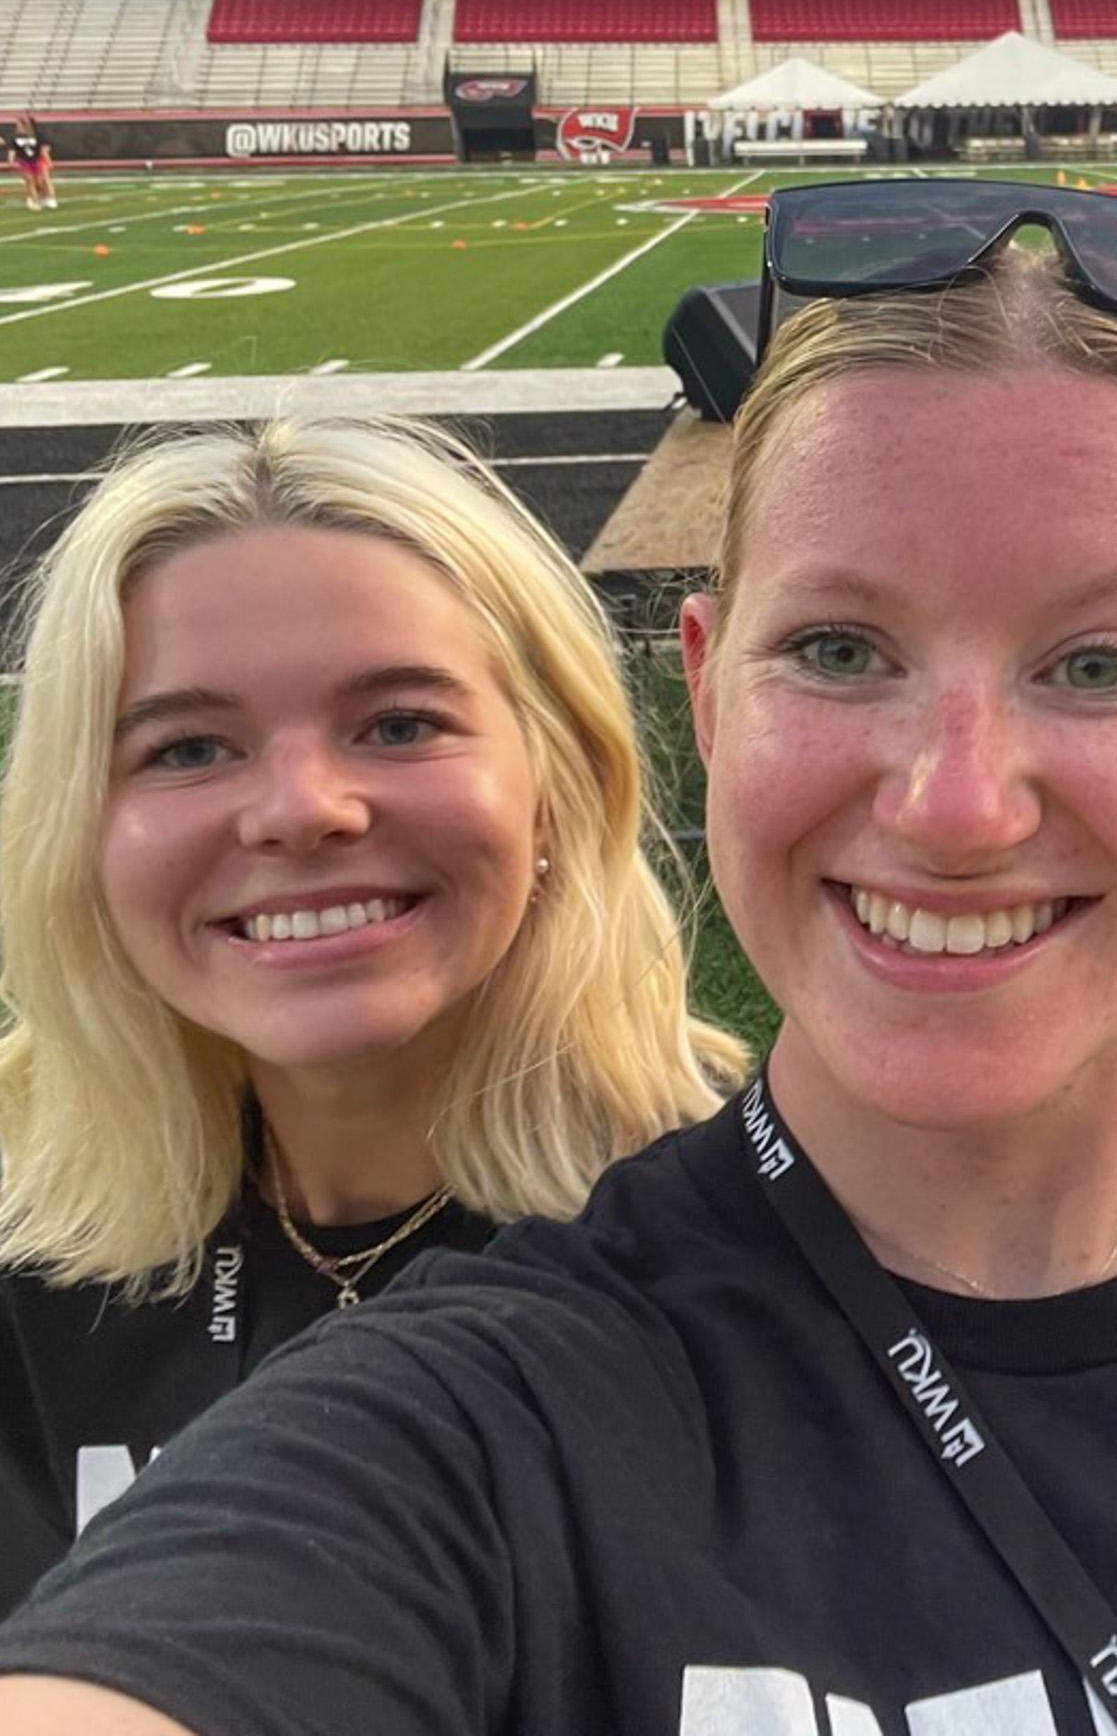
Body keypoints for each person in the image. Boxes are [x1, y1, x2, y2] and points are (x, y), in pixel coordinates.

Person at [0, 187, 1117, 1734]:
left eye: (1096, 665)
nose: (951, 802)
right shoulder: (489, 1420)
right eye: (840, 646)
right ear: (701, 695)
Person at [0, 417, 744, 1617]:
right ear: (82, 829)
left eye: (399, 724)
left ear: (556, 781)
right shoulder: (28, 1262)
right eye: (187, 746)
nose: (301, 810)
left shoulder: (760, 1249)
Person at [7, 120, 56, 213]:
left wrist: (48, 160)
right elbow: (12, 149)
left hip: (36, 161)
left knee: (38, 182)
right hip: (24, 162)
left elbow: (43, 148)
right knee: (30, 181)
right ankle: (35, 202)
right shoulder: (14, 138)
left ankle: (43, 197)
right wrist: (11, 161)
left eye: (20, 126)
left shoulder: (36, 136)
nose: (18, 128)